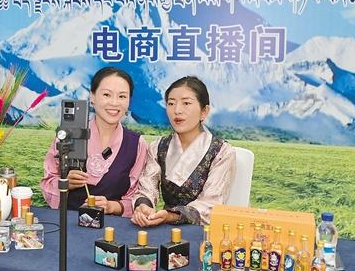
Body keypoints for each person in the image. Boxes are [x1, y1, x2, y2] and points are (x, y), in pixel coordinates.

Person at [41, 67, 148, 217]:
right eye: (106, 94)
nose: (114, 103)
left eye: (122, 96)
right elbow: (47, 183)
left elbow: (137, 195)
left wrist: (112, 207)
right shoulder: (68, 136)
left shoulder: (137, 144)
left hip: (114, 228)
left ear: (129, 101)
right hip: (69, 224)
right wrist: (65, 183)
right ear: (92, 97)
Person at [131, 76, 236, 227]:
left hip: (202, 232)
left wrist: (171, 215)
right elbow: (147, 188)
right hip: (164, 226)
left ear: (204, 111)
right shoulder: (158, 147)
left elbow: (210, 205)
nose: (177, 110)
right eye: (171, 103)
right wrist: (143, 206)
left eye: (186, 103)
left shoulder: (222, 152)